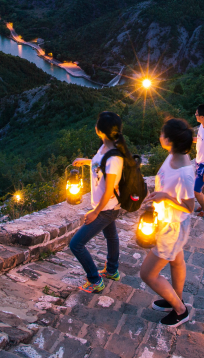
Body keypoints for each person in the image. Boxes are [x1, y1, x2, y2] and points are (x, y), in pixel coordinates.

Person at [141, 118, 197, 327]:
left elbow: (190, 207)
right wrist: (161, 194)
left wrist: (166, 197)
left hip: (172, 227)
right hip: (170, 221)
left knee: (147, 273)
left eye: (163, 134)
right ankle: (175, 299)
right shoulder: (174, 156)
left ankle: (181, 311)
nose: (160, 137)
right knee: (176, 261)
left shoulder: (184, 172)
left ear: (171, 140)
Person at [68, 111, 128, 293]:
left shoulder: (114, 156)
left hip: (106, 208)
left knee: (76, 244)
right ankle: (112, 270)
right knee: (111, 236)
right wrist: (85, 162)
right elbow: (99, 166)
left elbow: (110, 188)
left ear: (99, 130)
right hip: (107, 207)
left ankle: (94, 279)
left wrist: (95, 212)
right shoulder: (105, 148)